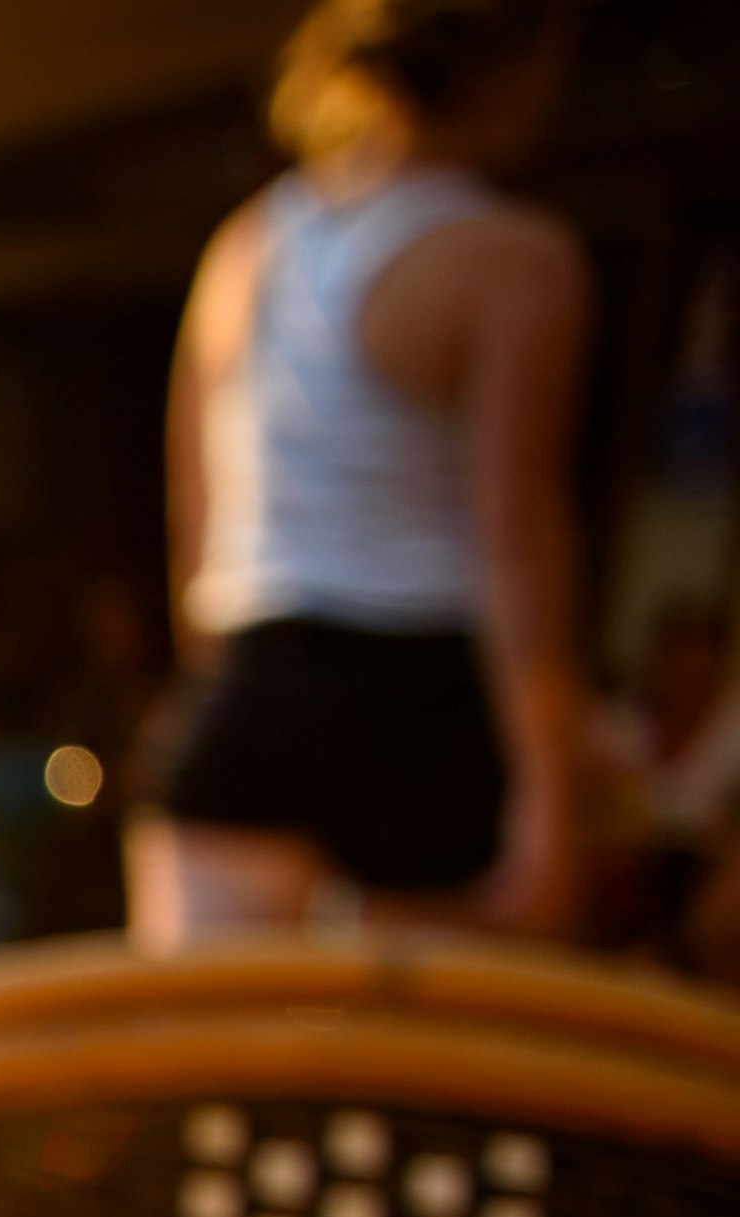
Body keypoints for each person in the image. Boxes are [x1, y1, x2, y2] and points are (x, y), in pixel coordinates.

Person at [131, 0, 591, 946]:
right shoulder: (514, 259)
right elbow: (519, 537)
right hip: (422, 691)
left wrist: (222, 687)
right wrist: (554, 793)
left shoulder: (250, 242)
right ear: (521, 69)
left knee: (205, 1060)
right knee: (411, 1073)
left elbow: (196, 511)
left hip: (253, 674)